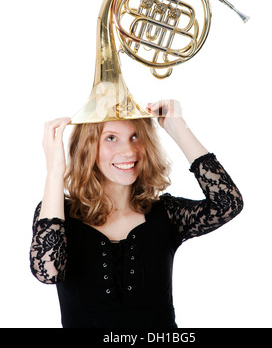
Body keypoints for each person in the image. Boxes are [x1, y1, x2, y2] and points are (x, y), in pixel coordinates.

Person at [30, 99, 243, 328]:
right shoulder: (58, 215)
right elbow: (48, 273)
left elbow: (228, 203)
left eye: (135, 136)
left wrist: (178, 127)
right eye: (111, 138)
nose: (128, 150)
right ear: (88, 147)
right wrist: (55, 171)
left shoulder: (165, 214)